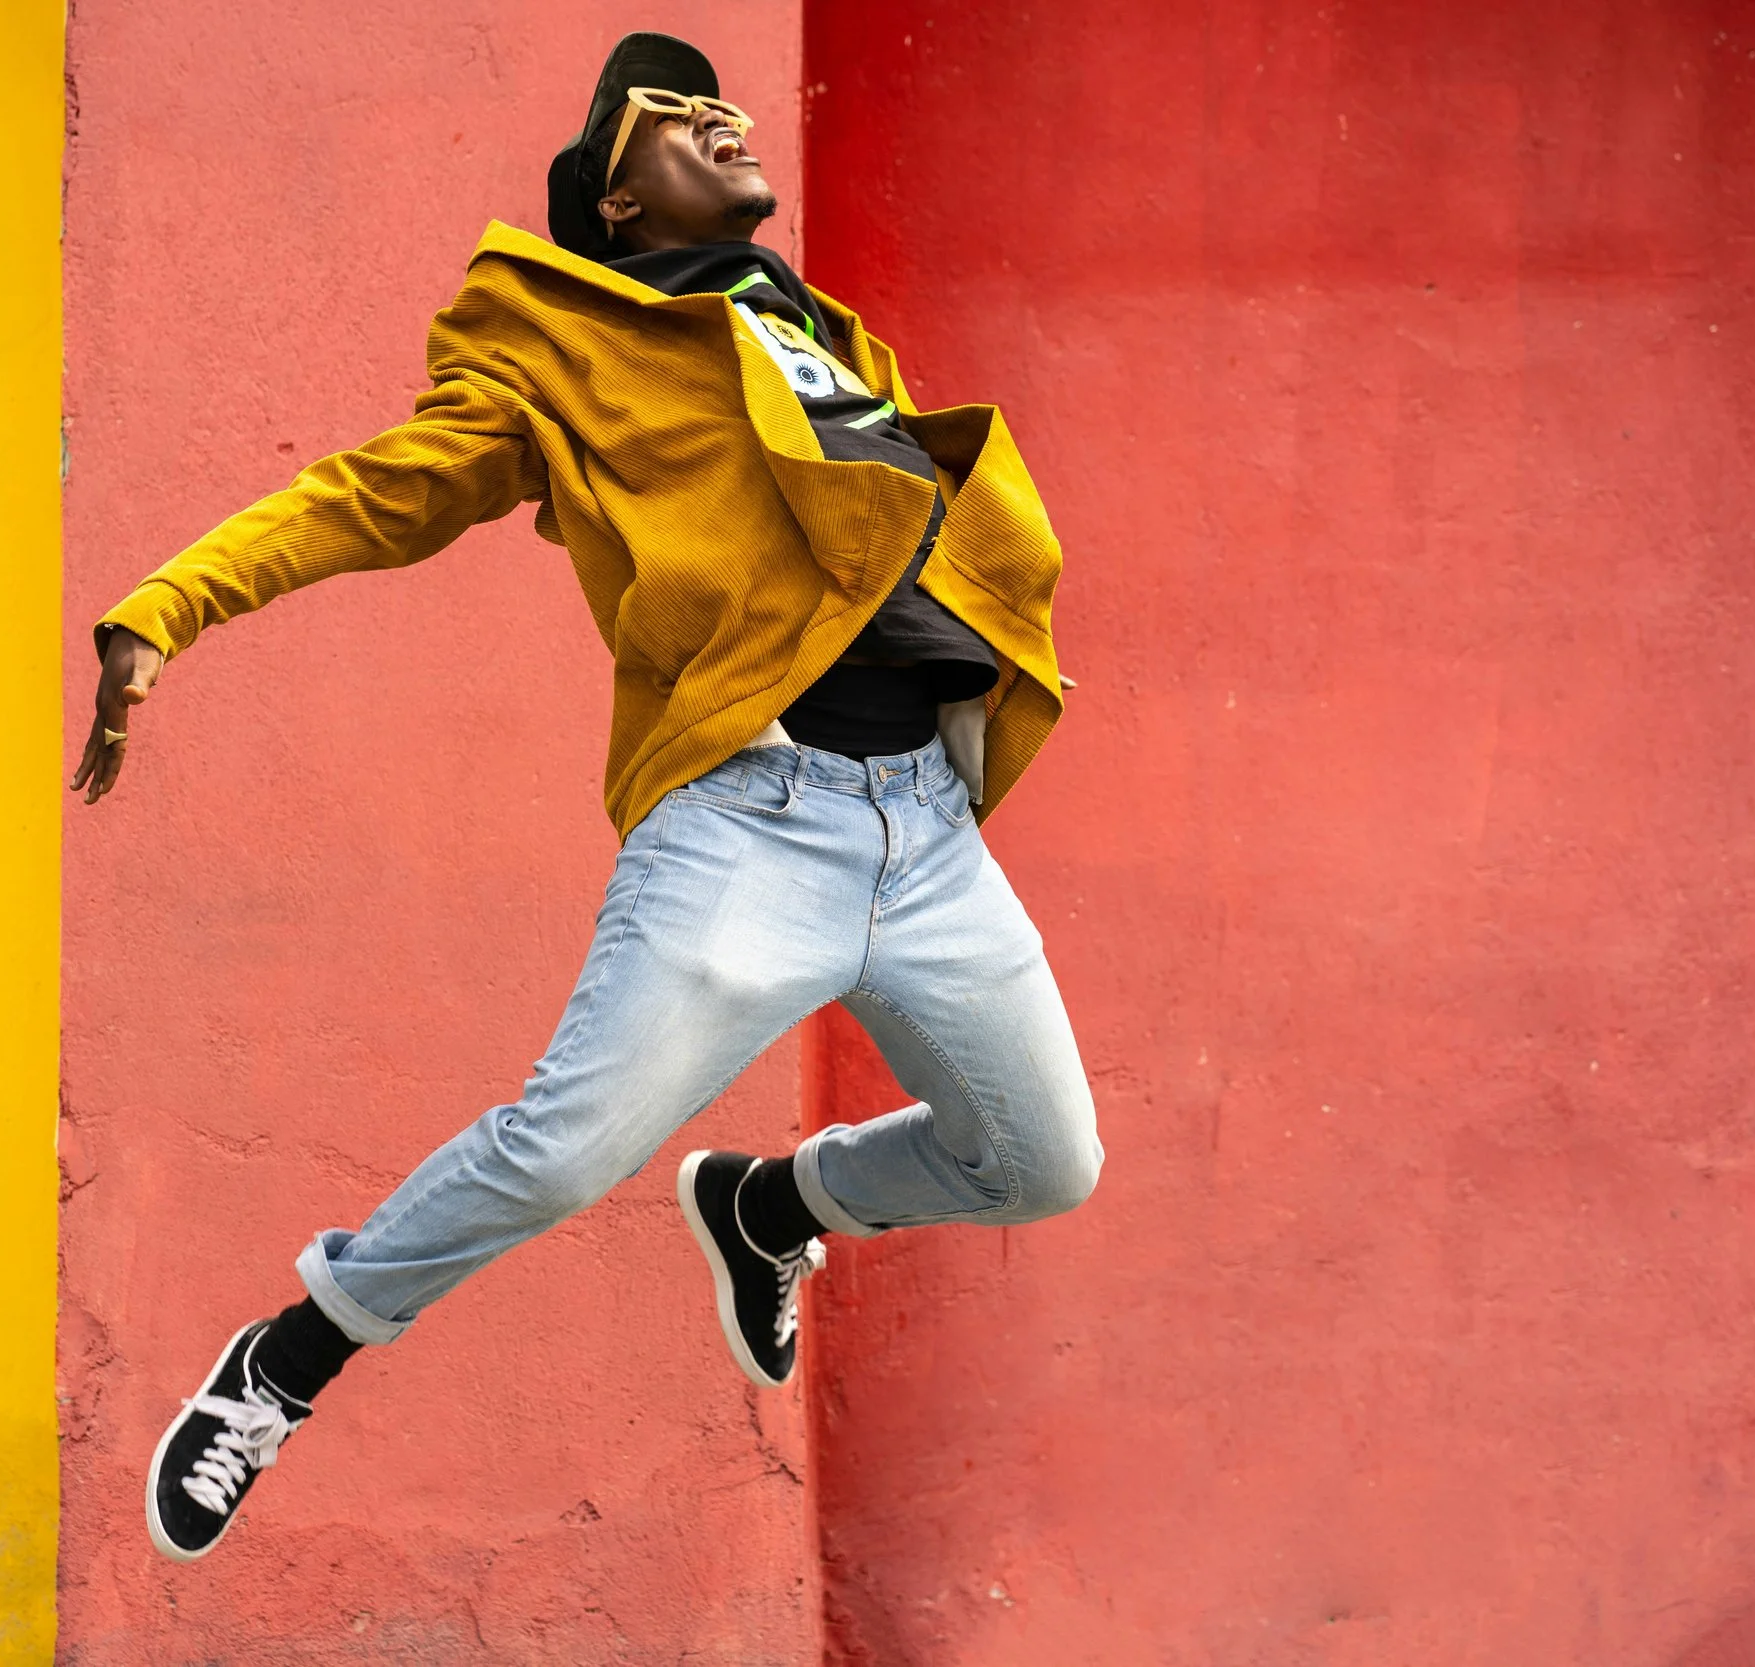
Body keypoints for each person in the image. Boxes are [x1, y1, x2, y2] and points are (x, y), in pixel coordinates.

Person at [72, 32, 1104, 1564]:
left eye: (721, 102)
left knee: (1044, 1162)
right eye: (675, 121)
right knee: (561, 1147)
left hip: (928, 829)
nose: (722, 119)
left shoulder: (815, 332)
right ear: (616, 209)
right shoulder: (557, 346)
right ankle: (293, 1352)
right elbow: (374, 491)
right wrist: (173, 604)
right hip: (751, 822)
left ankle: (774, 1208)